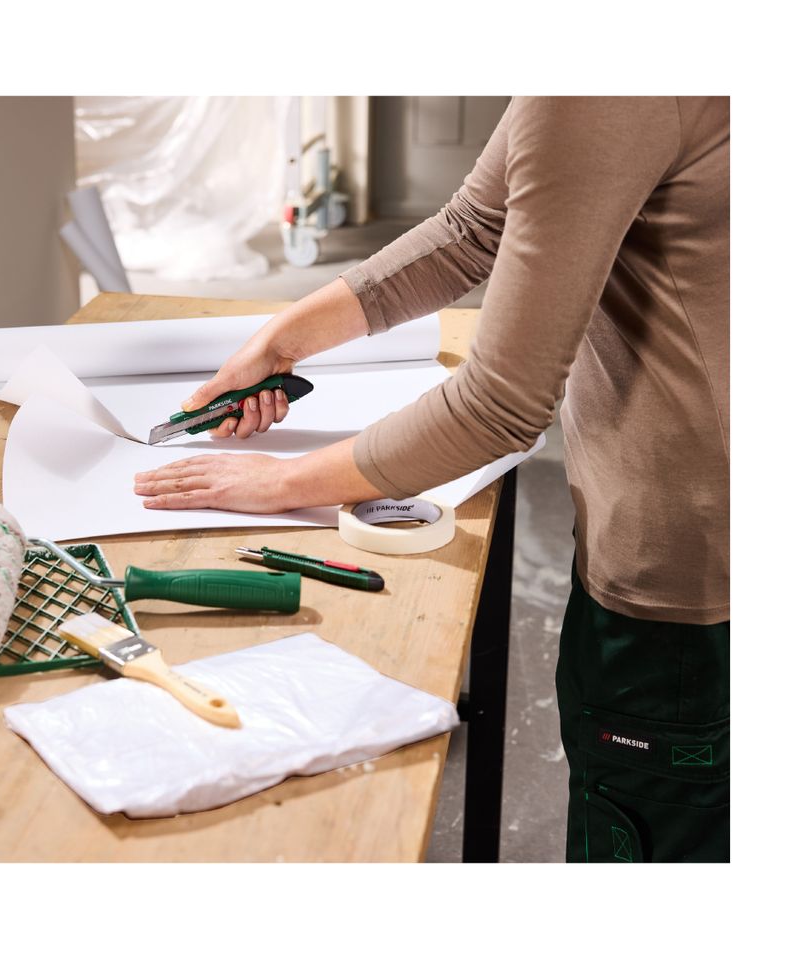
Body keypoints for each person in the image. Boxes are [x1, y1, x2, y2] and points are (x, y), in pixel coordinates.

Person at [132, 97, 729, 862]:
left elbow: (499, 408)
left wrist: (281, 483)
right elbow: (474, 229)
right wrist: (279, 343)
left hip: (691, 578)